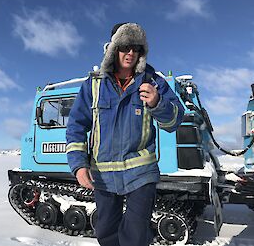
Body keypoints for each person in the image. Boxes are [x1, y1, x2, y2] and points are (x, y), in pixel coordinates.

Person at [66, 22, 184, 246]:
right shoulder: (93, 85)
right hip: (103, 174)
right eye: (125, 46)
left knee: (135, 236)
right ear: (112, 48)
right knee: (106, 234)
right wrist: (79, 165)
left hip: (141, 173)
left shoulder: (153, 82)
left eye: (136, 47)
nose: (130, 52)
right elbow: (76, 126)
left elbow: (175, 121)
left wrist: (158, 103)